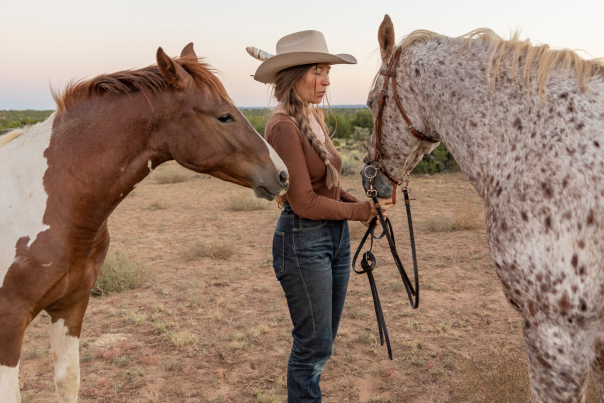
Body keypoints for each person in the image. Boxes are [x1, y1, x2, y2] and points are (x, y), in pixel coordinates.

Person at [248, 30, 395, 402]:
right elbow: (304, 201)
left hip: (333, 239)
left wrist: (364, 209)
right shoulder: (283, 126)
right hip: (302, 241)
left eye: (328, 71)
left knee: (322, 343)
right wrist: (360, 211)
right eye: (319, 71)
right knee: (312, 347)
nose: (327, 80)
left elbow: (326, 189)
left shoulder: (313, 116)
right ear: (294, 76)